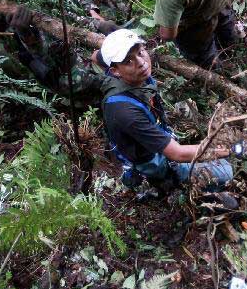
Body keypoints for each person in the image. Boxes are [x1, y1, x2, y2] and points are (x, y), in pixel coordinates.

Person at [99, 28, 233, 189]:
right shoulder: (125, 112)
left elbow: (98, 56)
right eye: (128, 61)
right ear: (114, 71)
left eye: (140, 52)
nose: (141, 63)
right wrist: (229, 150)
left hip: (153, 137)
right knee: (226, 171)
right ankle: (167, 182)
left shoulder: (134, 76)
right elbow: (177, 153)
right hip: (150, 160)